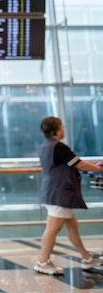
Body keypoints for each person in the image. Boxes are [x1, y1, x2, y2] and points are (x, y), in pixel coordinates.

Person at [33, 116, 103, 275]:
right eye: (62, 126)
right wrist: (100, 169)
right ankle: (42, 262)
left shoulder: (45, 146)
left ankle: (87, 258)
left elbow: (72, 163)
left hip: (52, 190)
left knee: (72, 225)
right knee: (52, 229)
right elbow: (79, 164)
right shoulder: (59, 147)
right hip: (59, 193)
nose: (64, 129)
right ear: (56, 129)